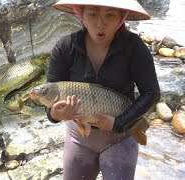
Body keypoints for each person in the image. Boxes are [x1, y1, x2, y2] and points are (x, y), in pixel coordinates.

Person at [46, 0, 161, 179]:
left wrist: (118, 123)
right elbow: (50, 91)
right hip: (79, 138)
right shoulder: (65, 47)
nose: (100, 23)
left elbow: (152, 93)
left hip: (121, 137)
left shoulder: (134, 48)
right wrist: (54, 114)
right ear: (80, 14)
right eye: (92, 14)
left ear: (121, 18)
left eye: (109, 15)